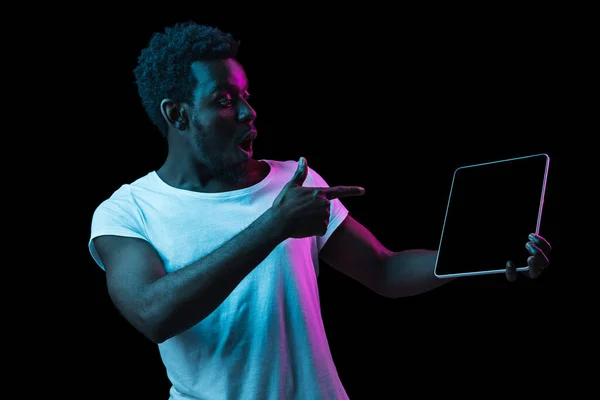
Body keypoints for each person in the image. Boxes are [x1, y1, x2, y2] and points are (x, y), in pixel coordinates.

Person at [88, 21, 552, 400]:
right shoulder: (128, 211)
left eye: (247, 96)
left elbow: (384, 271)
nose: (249, 113)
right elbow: (153, 315)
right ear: (178, 115)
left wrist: (478, 259)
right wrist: (273, 225)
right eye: (225, 101)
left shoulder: (295, 182)